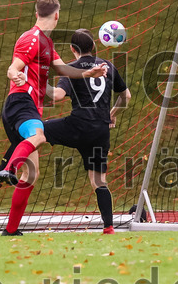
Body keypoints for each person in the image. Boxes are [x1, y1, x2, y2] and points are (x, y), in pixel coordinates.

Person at [0, 0, 108, 236]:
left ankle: (10, 230)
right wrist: (15, 75)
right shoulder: (31, 38)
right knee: (40, 134)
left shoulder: (47, 43)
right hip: (20, 102)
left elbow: (63, 69)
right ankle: (5, 171)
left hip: (29, 107)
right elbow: (14, 66)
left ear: (37, 13)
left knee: (31, 174)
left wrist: (89, 73)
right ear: (57, 15)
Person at [44, 29, 130, 235]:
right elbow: (126, 95)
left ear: (73, 49)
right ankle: (108, 226)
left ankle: (8, 168)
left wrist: (38, 81)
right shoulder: (107, 66)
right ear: (93, 46)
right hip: (100, 130)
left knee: (35, 129)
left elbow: (56, 95)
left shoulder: (71, 68)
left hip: (77, 125)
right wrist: (112, 114)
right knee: (99, 181)